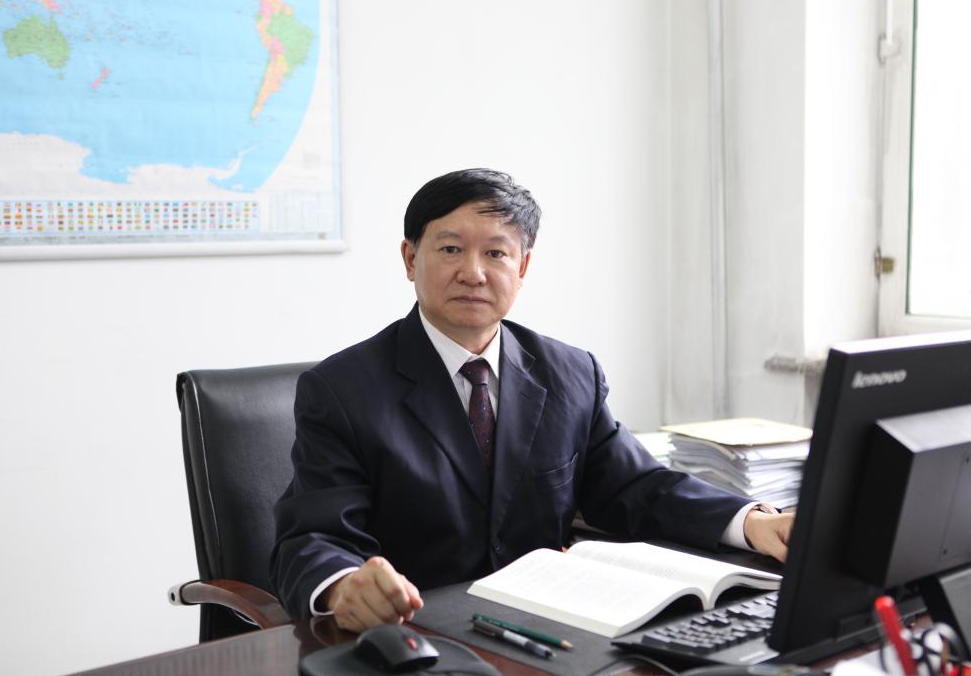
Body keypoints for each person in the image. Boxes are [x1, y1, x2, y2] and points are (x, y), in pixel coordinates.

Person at [270, 168, 795, 633]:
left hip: (548, 629)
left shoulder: (571, 373)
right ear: (410, 259)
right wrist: (344, 586)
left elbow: (636, 487)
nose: (473, 272)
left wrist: (751, 522)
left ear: (522, 268)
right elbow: (312, 537)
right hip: (417, 634)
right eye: (450, 249)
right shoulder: (341, 389)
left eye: (495, 253)